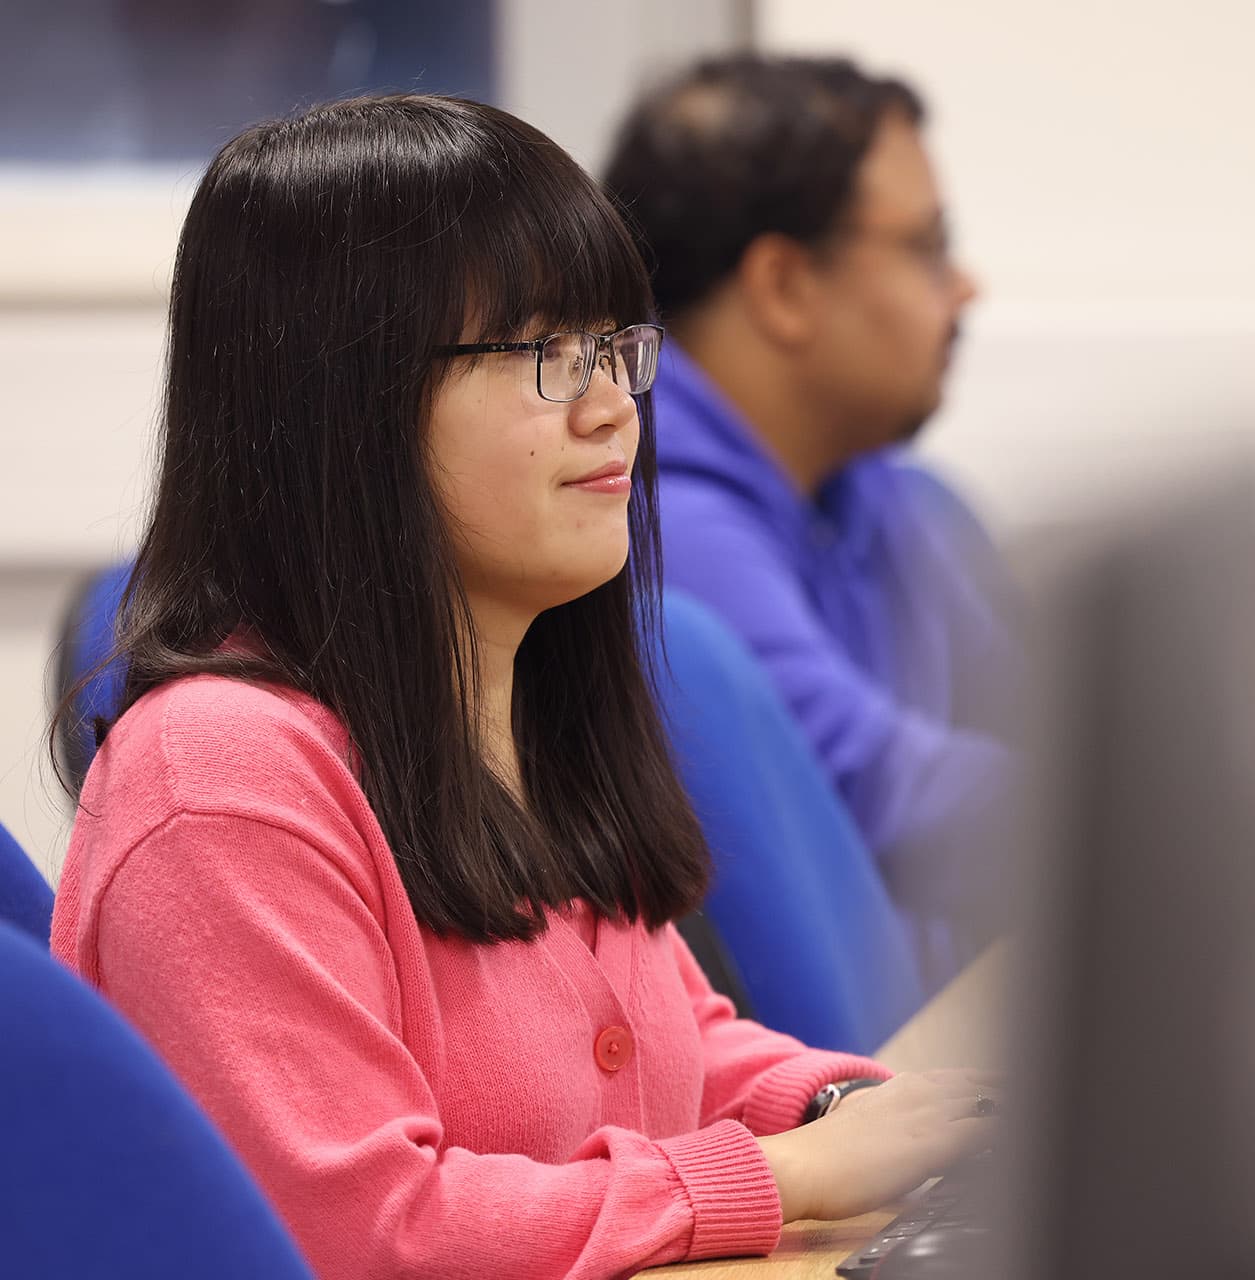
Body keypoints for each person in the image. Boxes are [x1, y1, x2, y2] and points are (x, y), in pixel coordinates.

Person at [50, 94, 993, 1279]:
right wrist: (784, 1175)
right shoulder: (222, 780)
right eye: (546, 355)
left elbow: (671, 1049)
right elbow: (362, 1226)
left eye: (615, 348)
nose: (612, 406)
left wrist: (877, 1109)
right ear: (341, 405)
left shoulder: (519, 698)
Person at [601, 55, 1255, 948]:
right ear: (784, 286)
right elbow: (887, 795)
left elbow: (1054, 719)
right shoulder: (664, 519)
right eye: (927, 247)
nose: (965, 286)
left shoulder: (865, 488)